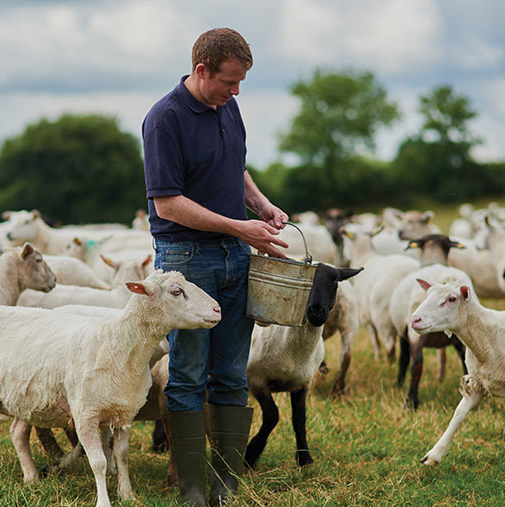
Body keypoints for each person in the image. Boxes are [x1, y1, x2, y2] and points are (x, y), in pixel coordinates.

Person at [141, 27, 289, 507]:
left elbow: (235, 168)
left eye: (242, 82)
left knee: (230, 371)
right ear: (201, 70)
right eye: (229, 81)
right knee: (187, 372)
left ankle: (226, 483)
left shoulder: (228, 108)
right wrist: (236, 227)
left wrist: (261, 207)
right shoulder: (164, 119)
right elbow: (167, 204)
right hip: (186, 260)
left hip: (233, 255)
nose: (236, 91)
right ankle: (191, 489)